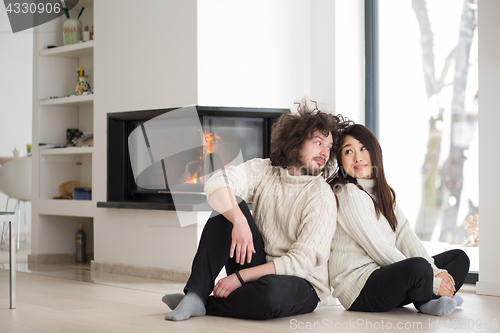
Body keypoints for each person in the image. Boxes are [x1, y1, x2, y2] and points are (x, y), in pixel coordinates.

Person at [163, 102, 348, 321]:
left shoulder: (321, 195)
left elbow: (301, 263)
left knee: (269, 294)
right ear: (296, 142)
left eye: (328, 147)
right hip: (257, 263)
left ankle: (205, 302)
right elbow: (216, 183)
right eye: (318, 143)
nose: (324, 152)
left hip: (301, 282)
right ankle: (195, 294)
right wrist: (239, 221)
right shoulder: (265, 171)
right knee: (229, 209)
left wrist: (240, 278)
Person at [328, 124, 470, 316]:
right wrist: (434, 281)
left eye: (363, 148)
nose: (358, 157)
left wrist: (435, 271)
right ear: (340, 159)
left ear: (375, 151)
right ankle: (430, 298)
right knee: (419, 267)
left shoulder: (383, 192)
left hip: (385, 278)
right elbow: (379, 248)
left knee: (458, 258)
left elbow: (405, 234)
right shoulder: (348, 194)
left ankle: (431, 298)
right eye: (348, 151)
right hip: (360, 289)